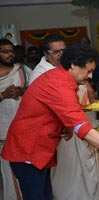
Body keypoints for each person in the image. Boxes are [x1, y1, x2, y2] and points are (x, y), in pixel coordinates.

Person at [1, 44, 99, 200]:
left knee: (45, 195)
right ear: (74, 65)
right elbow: (83, 128)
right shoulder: (58, 84)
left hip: (38, 149)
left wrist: (66, 126)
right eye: (88, 71)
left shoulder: (61, 78)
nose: (90, 76)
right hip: (27, 149)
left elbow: (56, 111)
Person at [29, 34, 99, 200]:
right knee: (61, 176)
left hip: (67, 128)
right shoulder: (43, 75)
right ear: (46, 54)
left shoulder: (66, 72)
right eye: (56, 51)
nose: (61, 54)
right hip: (46, 139)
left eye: (63, 50)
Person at [0, 39, 32, 200]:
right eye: (4, 51)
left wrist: (24, 90)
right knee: (9, 173)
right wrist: (3, 95)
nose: (9, 54)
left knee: (28, 172)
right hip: (3, 132)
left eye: (11, 50)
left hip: (25, 130)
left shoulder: (23, 71)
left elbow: (37, 90)